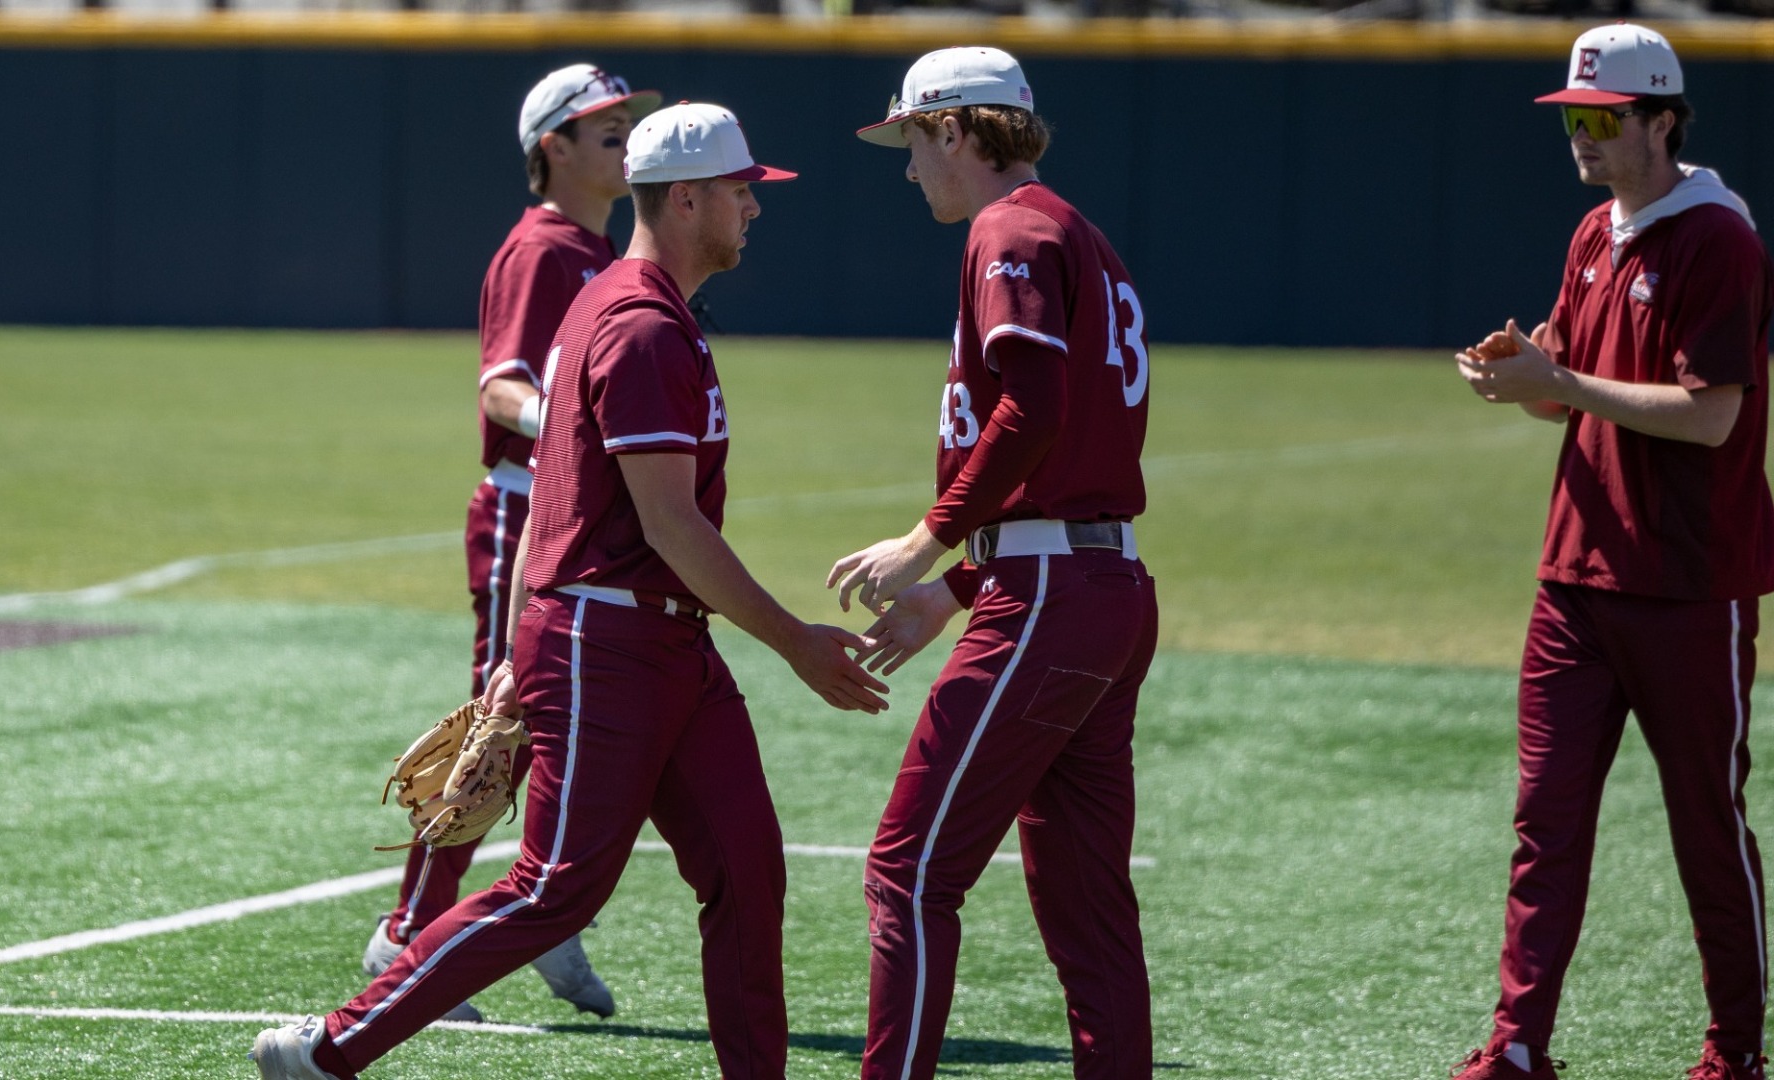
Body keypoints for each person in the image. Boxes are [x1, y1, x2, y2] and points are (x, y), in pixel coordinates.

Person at [251, 101, 890, 1080]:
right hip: (609, 642)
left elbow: (562, 495)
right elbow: (673, 526)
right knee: (557, 887)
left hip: (660, 642)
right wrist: (793, 640)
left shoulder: (637, 307)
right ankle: (329, 1047)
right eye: (740, 191)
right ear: (686, 201)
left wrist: (513, 648)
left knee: (746, 869)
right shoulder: (635, 325)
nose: (755, 209)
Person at [1450, 23, 1772, 1080]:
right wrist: (1526, 373)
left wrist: (1565, 386)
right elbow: (1571, 390)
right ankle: (1517, 1046)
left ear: (1664, 121)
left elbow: (1712, 416)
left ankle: (1734, 1051)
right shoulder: (1596, 230)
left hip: (1688, 584)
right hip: (1574, 580)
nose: (1581, 137)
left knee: (1706, 831)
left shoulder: (1718, 238)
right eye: (1573, 119)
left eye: (1603, 119)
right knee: (1545, 826)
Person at [831, 46, 1159, 1080]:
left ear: (957, 132)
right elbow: (1078, 447)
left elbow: (1033, 412)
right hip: (1101, 586)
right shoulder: (1078, 235)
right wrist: (959, 588)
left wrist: (928, 541)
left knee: (908, 873)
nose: (909, 168)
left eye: (914, 142)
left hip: (1053, 596)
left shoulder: (1008, 228)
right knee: (1085, 904)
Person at [360, 62, 659, 1023]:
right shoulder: (542, 249)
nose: (620, 131)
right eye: (599, 123)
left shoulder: (610, 254)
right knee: (499, 726)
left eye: (625, 119)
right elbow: (501, 390)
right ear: (552, 148)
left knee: (559, 722)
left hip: (587, 516)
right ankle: (411, 932)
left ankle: (541, 907)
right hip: (533, 509)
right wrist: (584, 419)